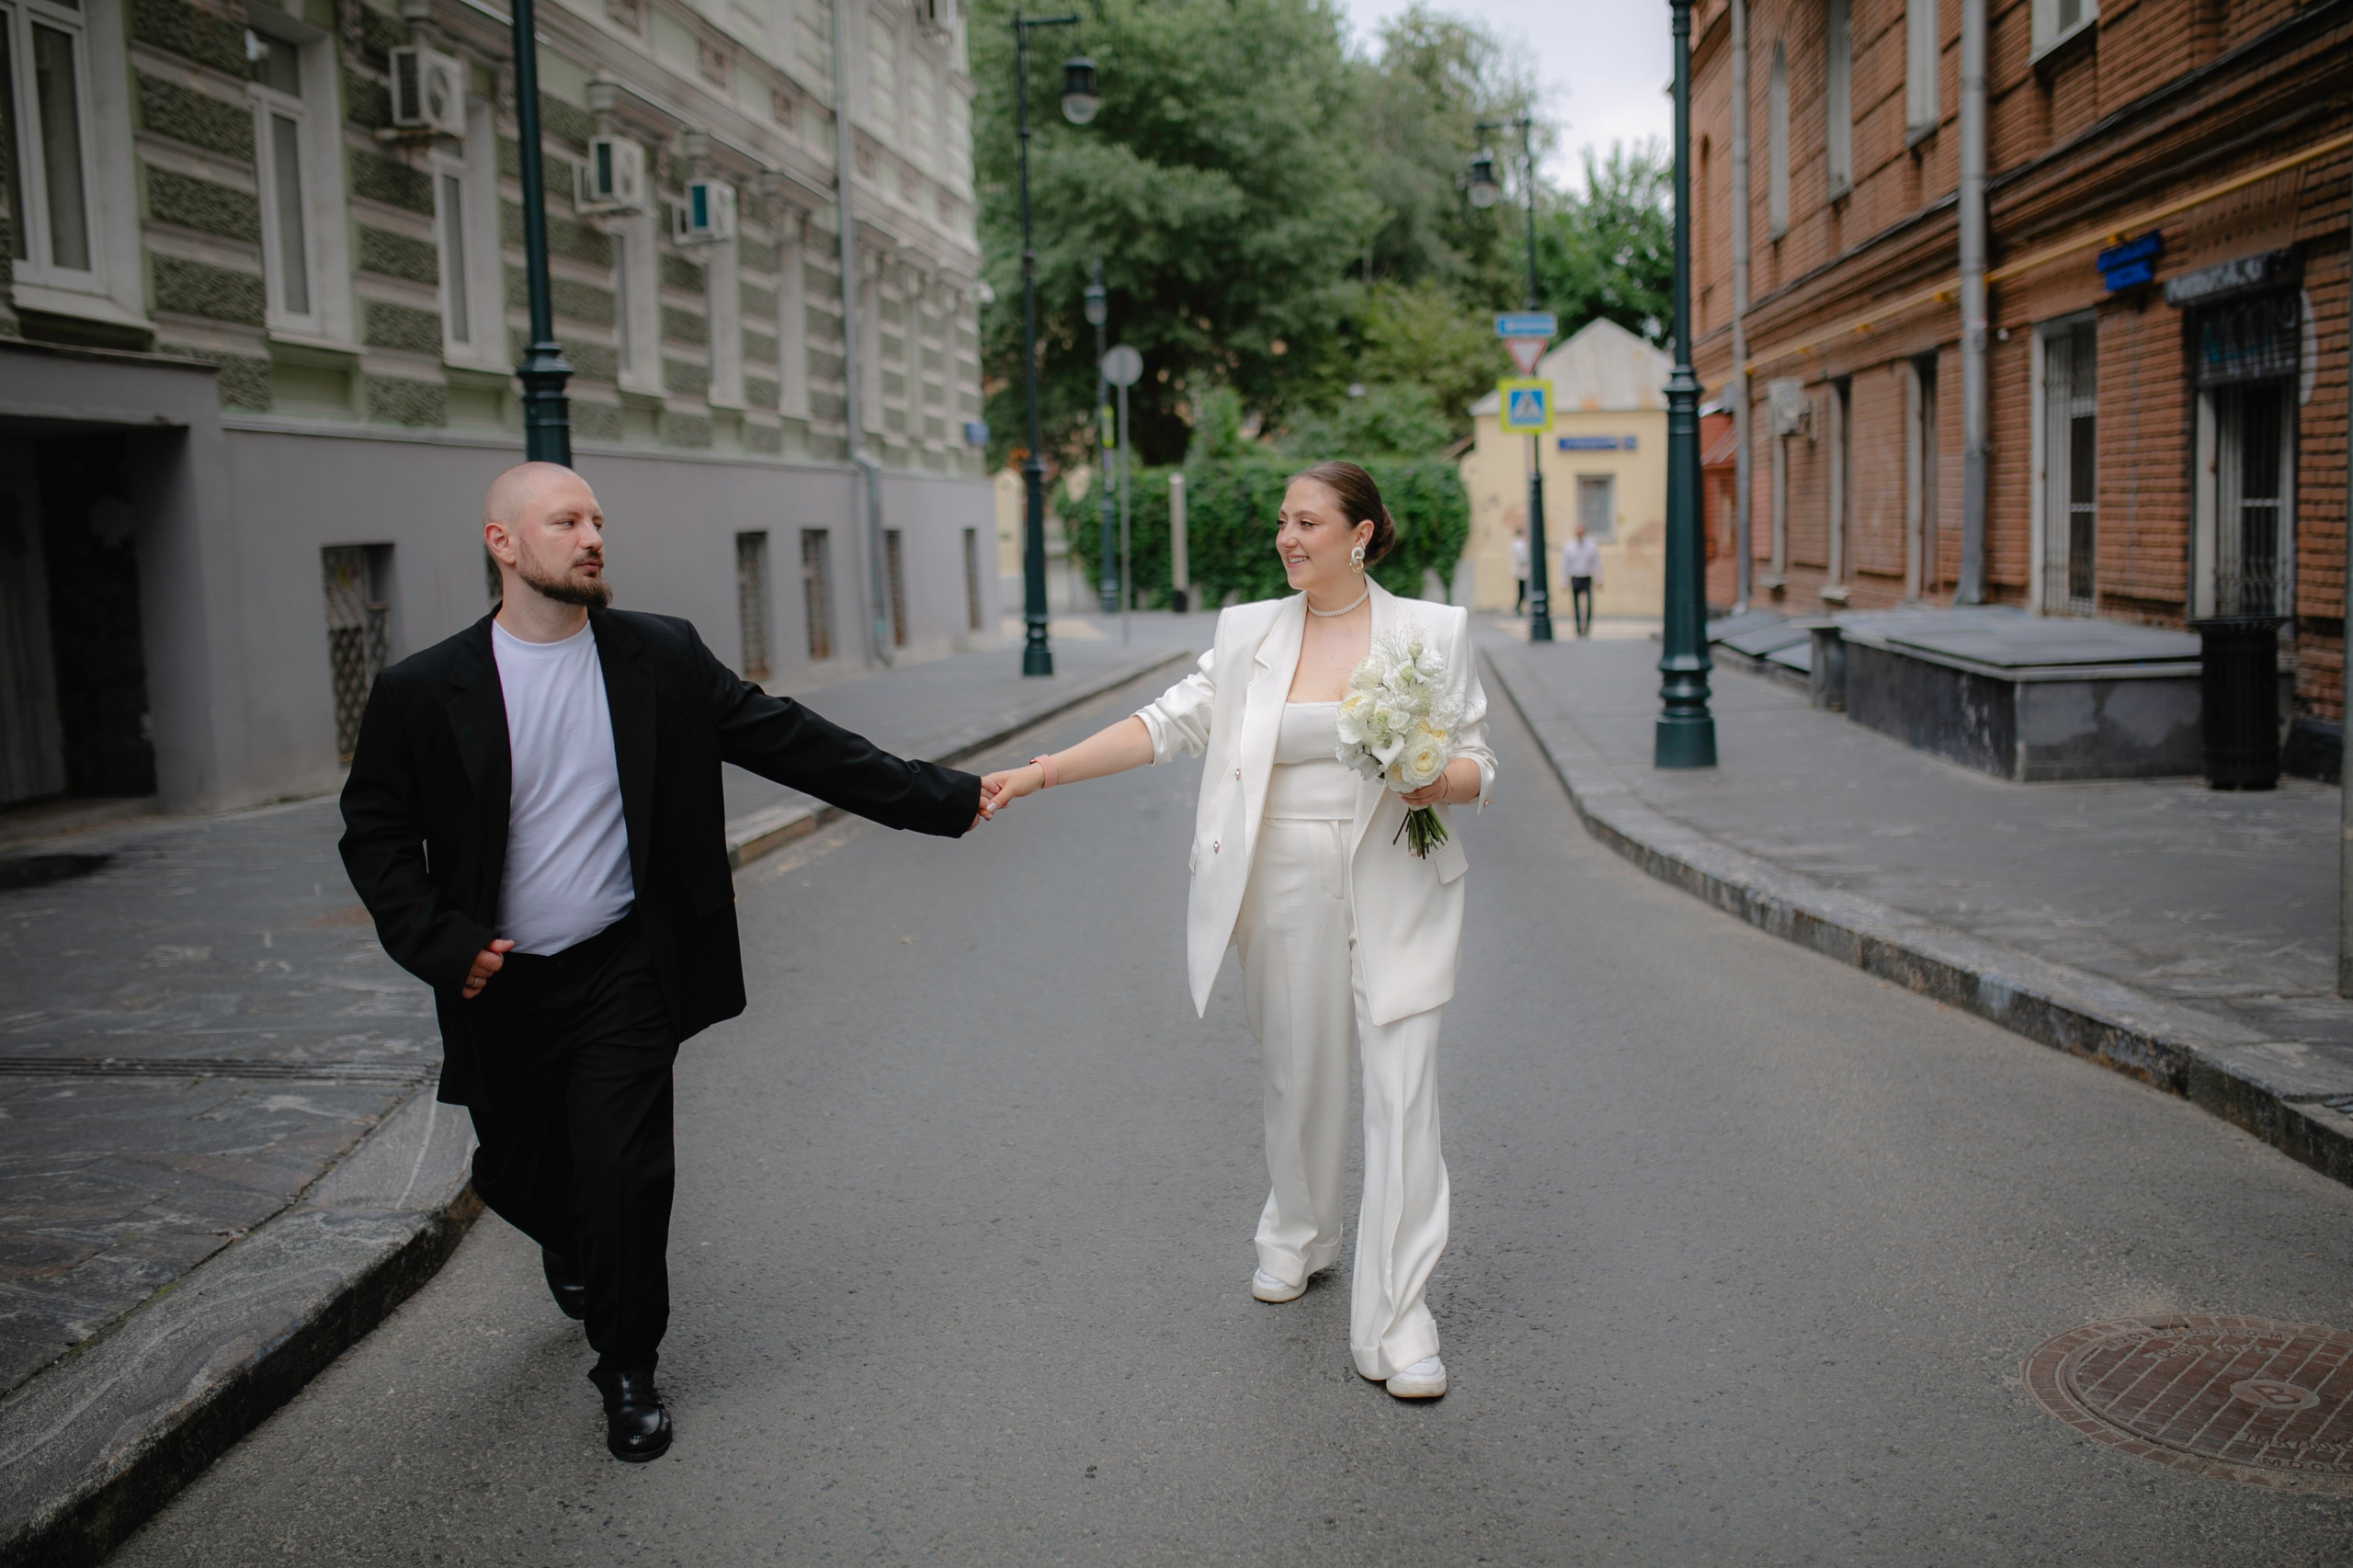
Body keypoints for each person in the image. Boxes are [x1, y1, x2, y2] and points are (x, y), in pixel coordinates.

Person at [339, 462, 988, 1461]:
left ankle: (627, 1367)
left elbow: (792, 740)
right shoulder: (424, 690)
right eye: (565, 520)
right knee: (517, 1171)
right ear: (503, 544)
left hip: (623, 965)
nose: (592, 535)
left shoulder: (658, 655)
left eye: (597, 518)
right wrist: (441, 942)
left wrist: (942, 796)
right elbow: (375, 835)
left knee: (628, 1172)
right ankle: (568, 1236)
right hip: (500, 980)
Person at [981, 460, 1495, 1399]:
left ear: (1360, 534)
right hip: (1280, 876)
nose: (1286, 537)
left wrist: (1434, 777)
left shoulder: (1431, 631)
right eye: (1281, 522)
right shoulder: (1252, 631)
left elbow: (1476, 759)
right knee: (1298, 1072)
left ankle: (1398, 1316)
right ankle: (1299, 1229)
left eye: (1306, 521)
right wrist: (1039, 771)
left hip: (1400, 870)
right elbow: (1165, 723)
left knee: (1404, 1088)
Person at [1562, 524, 1601, 639]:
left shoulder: (1591, 546)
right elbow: (1564, 565)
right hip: (1575, 577)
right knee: (1576, 605)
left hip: (1587, 577)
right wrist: (1563, 581)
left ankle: (1587, 628)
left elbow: (1597, 563)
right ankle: (1578, 628)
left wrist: (1599, 579)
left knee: (1589, 604)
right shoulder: (1569, 547)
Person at [1509, 524, 1529, 617]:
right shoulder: (1519, 544)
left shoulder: (1518, 543)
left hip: (1522, 571)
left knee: (1522, 589)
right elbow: (1523, 557)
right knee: (1523, 589)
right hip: (1522, 571)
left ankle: (1518, 606)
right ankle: (1517, 607)